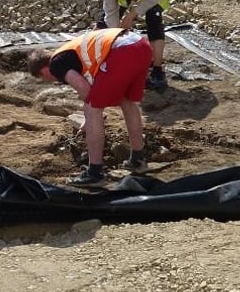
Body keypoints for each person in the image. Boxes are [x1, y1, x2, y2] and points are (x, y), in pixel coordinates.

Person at [27, 27, 152, 187]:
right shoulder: (72, 51)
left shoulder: (56, 64)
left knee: (93, 109)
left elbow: (85, 90)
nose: (49, 80)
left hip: (122, 51)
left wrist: (89, 117)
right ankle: (138, 159)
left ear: (43, 70)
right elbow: (93, 90)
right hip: (141, 45)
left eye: (43, 78)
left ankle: (95, 173)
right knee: (127, 102)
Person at [96, 0, 172, 91]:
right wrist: (115, 34)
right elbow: (111, 10)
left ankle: (157, 70)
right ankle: (98, 58)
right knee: (107, 19)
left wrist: (132, 15)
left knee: (153, 17)